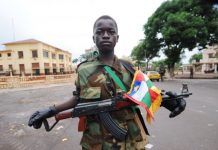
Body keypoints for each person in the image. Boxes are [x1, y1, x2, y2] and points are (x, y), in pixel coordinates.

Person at [28, 15, 186, 150]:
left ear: (117, 38)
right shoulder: (84, 69)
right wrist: (50, 111)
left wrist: (168, 101)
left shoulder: (128, 66)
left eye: (111, 32)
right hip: (97, 141)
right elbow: (78, 98)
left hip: (131, 139)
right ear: (93, 38)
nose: (105, 35)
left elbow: (146, 92)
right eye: (100, 32)